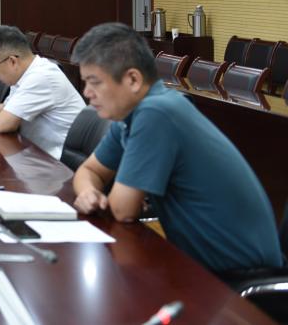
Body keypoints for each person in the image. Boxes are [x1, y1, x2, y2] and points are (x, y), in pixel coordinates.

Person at [71, 23, 283, 277]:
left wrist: (108, 194)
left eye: (94, 82)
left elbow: (122, 210)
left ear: (133, 80)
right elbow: (89, 171)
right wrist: (88, 192)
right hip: (201, 266)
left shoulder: (157, 113)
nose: (87, 92)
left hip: (239, 276)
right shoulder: (133, 113)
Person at [0, 25, 83, 159]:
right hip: (36, 154)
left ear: (12, 61)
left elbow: (3, 124)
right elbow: (8, 108)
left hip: (59, 163)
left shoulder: (40, 76)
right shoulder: (27, 73)